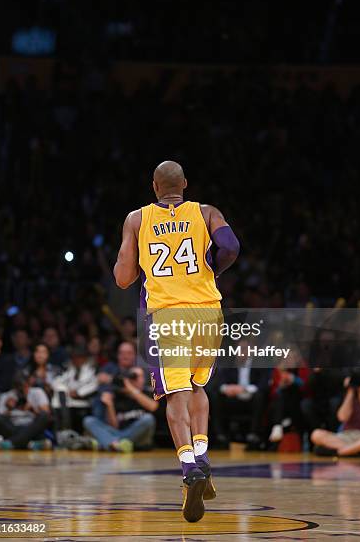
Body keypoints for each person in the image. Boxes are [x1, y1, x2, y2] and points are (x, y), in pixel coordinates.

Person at [114, 160, 239, 522]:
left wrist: (137, 261)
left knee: (176, 394)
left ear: (154, 186)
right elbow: (230, 247)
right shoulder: (206, 212)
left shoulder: (136, 219)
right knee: (198, 387)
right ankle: (202, 454)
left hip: (167, 314)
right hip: (208, 311)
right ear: (184, 183)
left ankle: (189, 468)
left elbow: (123, 278)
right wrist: (208, 269)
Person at [311, 367, 360, 456]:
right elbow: (342, 417)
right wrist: (350, 391)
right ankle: (354, 451)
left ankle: (340, 451)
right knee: (316, 434)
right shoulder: (353, 394)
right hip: (347, 436)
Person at [84, 366, 158, 451]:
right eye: (133, 376)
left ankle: (108, 442)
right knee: (89, 420)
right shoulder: (118, 395)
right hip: (118, 432)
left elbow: (153, 407)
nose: (136, 379)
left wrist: (131, 389)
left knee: (148, 419)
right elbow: (114, 425)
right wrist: (110, 405)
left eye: (139, 376)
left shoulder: (147, 392)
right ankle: (117, 444)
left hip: (138, 436)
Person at [0, 372, 51, 450]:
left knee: (44, 416)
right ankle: (30, 444)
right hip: (14, 427)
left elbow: (46, 412)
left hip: (32, 425)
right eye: (19, 388)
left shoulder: (37, 392)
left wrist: (32, 409)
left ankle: (12, 443)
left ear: (29, 384)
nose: (23, 391)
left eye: (25, 386)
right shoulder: (7, 396)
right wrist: (8, 408)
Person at [51, 346, 98, 433]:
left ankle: (65, 428)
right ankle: (62, 431)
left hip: (84, 402)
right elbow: (56, 382)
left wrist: (77, 393)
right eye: (74, 357)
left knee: (60, 399)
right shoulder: (70, 370)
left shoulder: (92, 371)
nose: (76, 360)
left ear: (84, 358)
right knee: (59, 393)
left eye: (79, 357)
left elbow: (93, 386)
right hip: (67, 402)